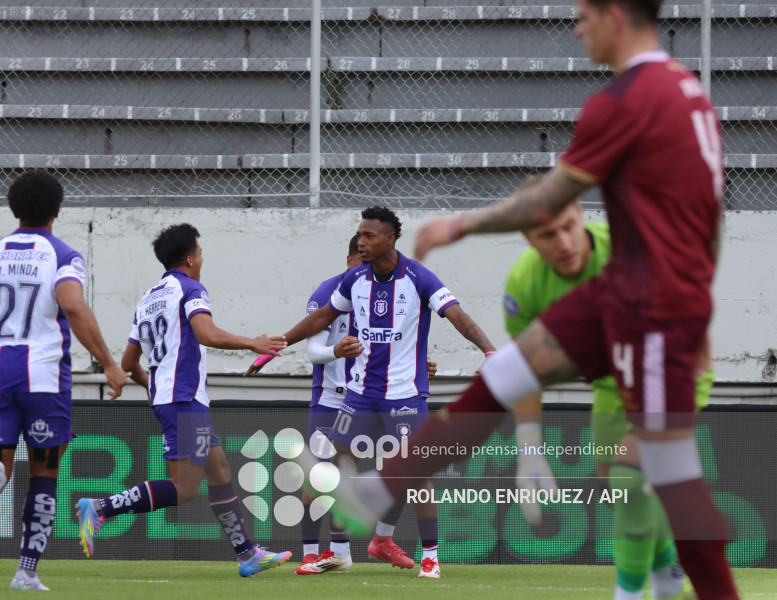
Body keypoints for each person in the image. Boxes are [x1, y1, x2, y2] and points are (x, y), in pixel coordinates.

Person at [315, 0, 739, 597]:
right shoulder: (688, 92)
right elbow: (708, 217)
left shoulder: (624, 100)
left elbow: (546, 200)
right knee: (506, 373)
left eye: (584, 13)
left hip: (654, 308)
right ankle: (381, 490)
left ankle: (705, 589)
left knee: (669, 474)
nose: (577, 26)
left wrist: (458, 225)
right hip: (634, 294)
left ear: (615, 14)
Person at [247, 206, 496, 578]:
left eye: (369, 236)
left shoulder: (419, 277)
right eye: (359, 236)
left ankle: (430, 556)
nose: (361, 242)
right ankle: (340, 553)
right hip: (359, 394)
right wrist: (277, 344)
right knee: (336, 468)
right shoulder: (354, 280)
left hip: (404, 397)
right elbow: (320, 319)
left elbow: (458, 314)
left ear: (390, 239)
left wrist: (489, 350)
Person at [505, 201, 711, 600]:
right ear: (528, 238)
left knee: (628, 480)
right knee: (619, 494)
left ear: (582, 215)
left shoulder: (630, 253)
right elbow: (526, 367)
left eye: (569, 226)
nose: (564, 242)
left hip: (674, 369)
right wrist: (528, 446)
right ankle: (669, 570)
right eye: (548, 234)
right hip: (610, 381)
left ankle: (629, 592)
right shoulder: (524, 283)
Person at [76, 223, 292, 577]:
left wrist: (153, 388)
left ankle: (247, 553)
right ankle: (100, 508)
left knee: (219, 469)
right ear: (190, 258)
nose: (203, 258)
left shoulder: (148, 299)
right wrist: (251, 342)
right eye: (201, 252)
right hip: (183, 400)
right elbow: (205, 333)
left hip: (173, 398)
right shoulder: (191, 288)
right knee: (185, 489)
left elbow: (129, 363)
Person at [0, 170, 128, 591]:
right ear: (57, 211)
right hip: (43, 379)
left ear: (13, 209)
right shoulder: (62, 254)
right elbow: (72, 305)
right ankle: (26, 571)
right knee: (44, 471)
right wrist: (108, 362)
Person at [288, 234, 439, 575]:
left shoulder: (388, 292)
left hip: (378, 398)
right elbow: (312, 350)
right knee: (324, 477)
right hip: (332, 399)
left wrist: (420, 364)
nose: (368, 274)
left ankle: (382, 540)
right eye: (362, 264)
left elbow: (398, 346)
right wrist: (335, 352)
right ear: (350, 261)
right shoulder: (331, 293)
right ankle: (317, 553)